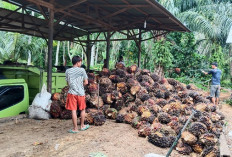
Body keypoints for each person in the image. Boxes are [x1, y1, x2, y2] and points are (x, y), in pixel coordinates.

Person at [65, 56, 89, 133]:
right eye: (80, 62)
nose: (81, 63)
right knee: (82, 109)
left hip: (72, 93)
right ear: (78, 62)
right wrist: (80, 85)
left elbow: (68, 83)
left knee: (73, 110)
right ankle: (82, 126)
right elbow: (86, 82)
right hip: (81, 93)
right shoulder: (82, 70)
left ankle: (75, 128)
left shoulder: (68, 71)